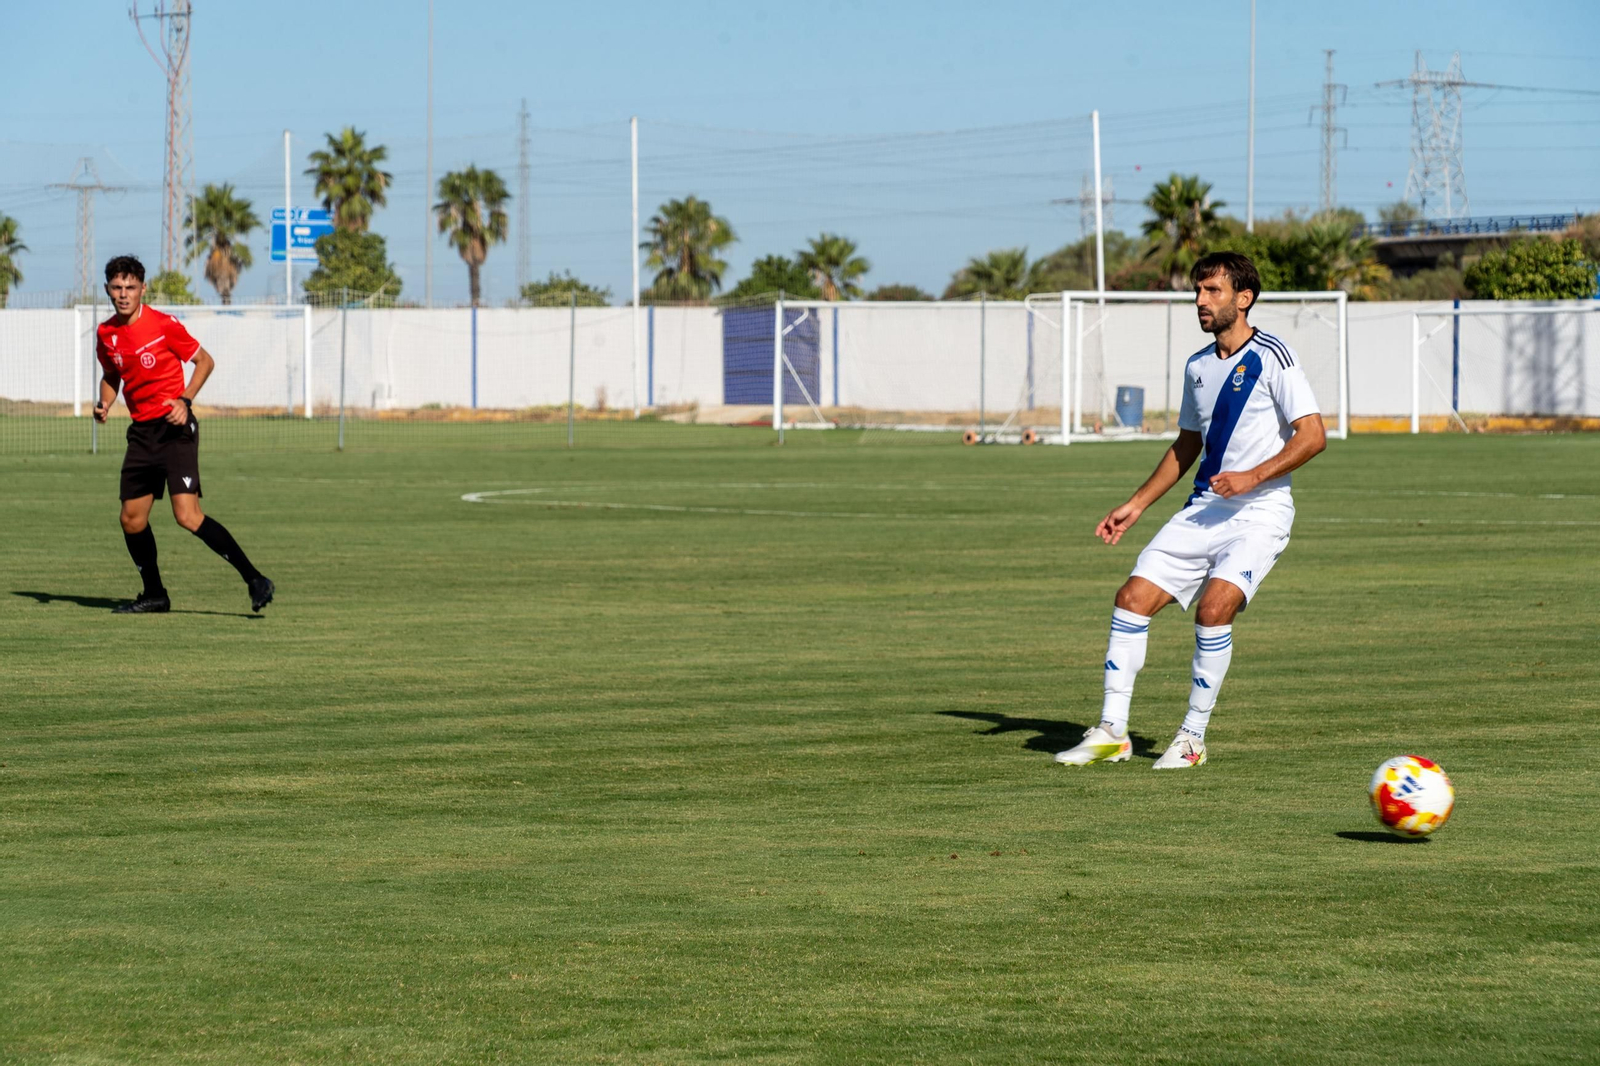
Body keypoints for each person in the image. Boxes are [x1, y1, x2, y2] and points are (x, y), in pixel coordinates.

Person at [1055, 251, 1324, 769]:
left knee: (1213, 609)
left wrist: (1252, 475)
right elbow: (1186, 446)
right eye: (1198, 292)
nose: (1201, 301)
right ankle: (1112, 732)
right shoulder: (1197, 367)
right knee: (1131, 597)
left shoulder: (1274, 356)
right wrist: (1135, 504)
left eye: (1213, 292)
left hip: (1261, 513)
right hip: (1205, 509)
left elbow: (1312, 436)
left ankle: (1192, 738)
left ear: (1243, 299)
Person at [93, 255, 274, 614]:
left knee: (187, 515)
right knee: (131, 518)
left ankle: (255, 579)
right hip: (142, 433)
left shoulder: (164, 325)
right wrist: (104, 402)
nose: (124, 294)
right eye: (117, 287)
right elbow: (113, 375)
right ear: (108, 290)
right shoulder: (106, 334)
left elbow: (205, 361)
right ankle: (155, 594)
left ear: (143, 289)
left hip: (176, 429)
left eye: (131, 287)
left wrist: (185, 400)